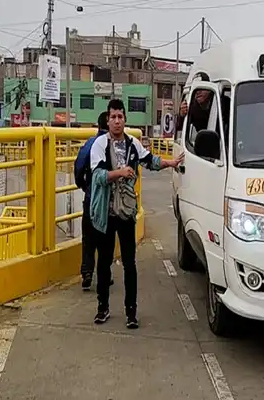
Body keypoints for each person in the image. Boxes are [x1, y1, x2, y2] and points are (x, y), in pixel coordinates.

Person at [89, 99, 183, 329]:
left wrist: (170, 163)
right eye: (113, 117)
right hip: (106, 213)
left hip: (126, 213)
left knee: (130, 263)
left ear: (125, 120)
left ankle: (131, 312)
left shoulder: (133, 144)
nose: (117, 121)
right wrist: (119, 172)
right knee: (104, 262)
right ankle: (103, 307)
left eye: (120, 117)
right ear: (107, 120)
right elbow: (98, 177)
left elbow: (150, 160)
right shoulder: (99, 144)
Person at [73, 110, 113, 291]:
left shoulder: (90, 144)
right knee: (106, 238)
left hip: (91, 198)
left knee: (88, 237)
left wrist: (83, 185)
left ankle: (87, 272)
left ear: (98, 126)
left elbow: (79, 167)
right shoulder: (118, 144)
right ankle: (105, 274)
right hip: (111, 201)